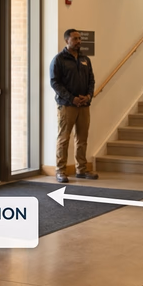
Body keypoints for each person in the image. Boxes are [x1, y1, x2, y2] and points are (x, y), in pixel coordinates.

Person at [50, 29, 98, 183]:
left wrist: (89, 95)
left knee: (82, 139)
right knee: (64, 139)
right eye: (75, 39)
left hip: (84, 106)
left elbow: (91, 80)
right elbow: (55, 83)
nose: (78, 41)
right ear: (67, 41)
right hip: (67, 106)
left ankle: (82, 169)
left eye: (79, 38)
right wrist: (72, 98)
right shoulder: (59, 59)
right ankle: (61, 171)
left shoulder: (85, 59)